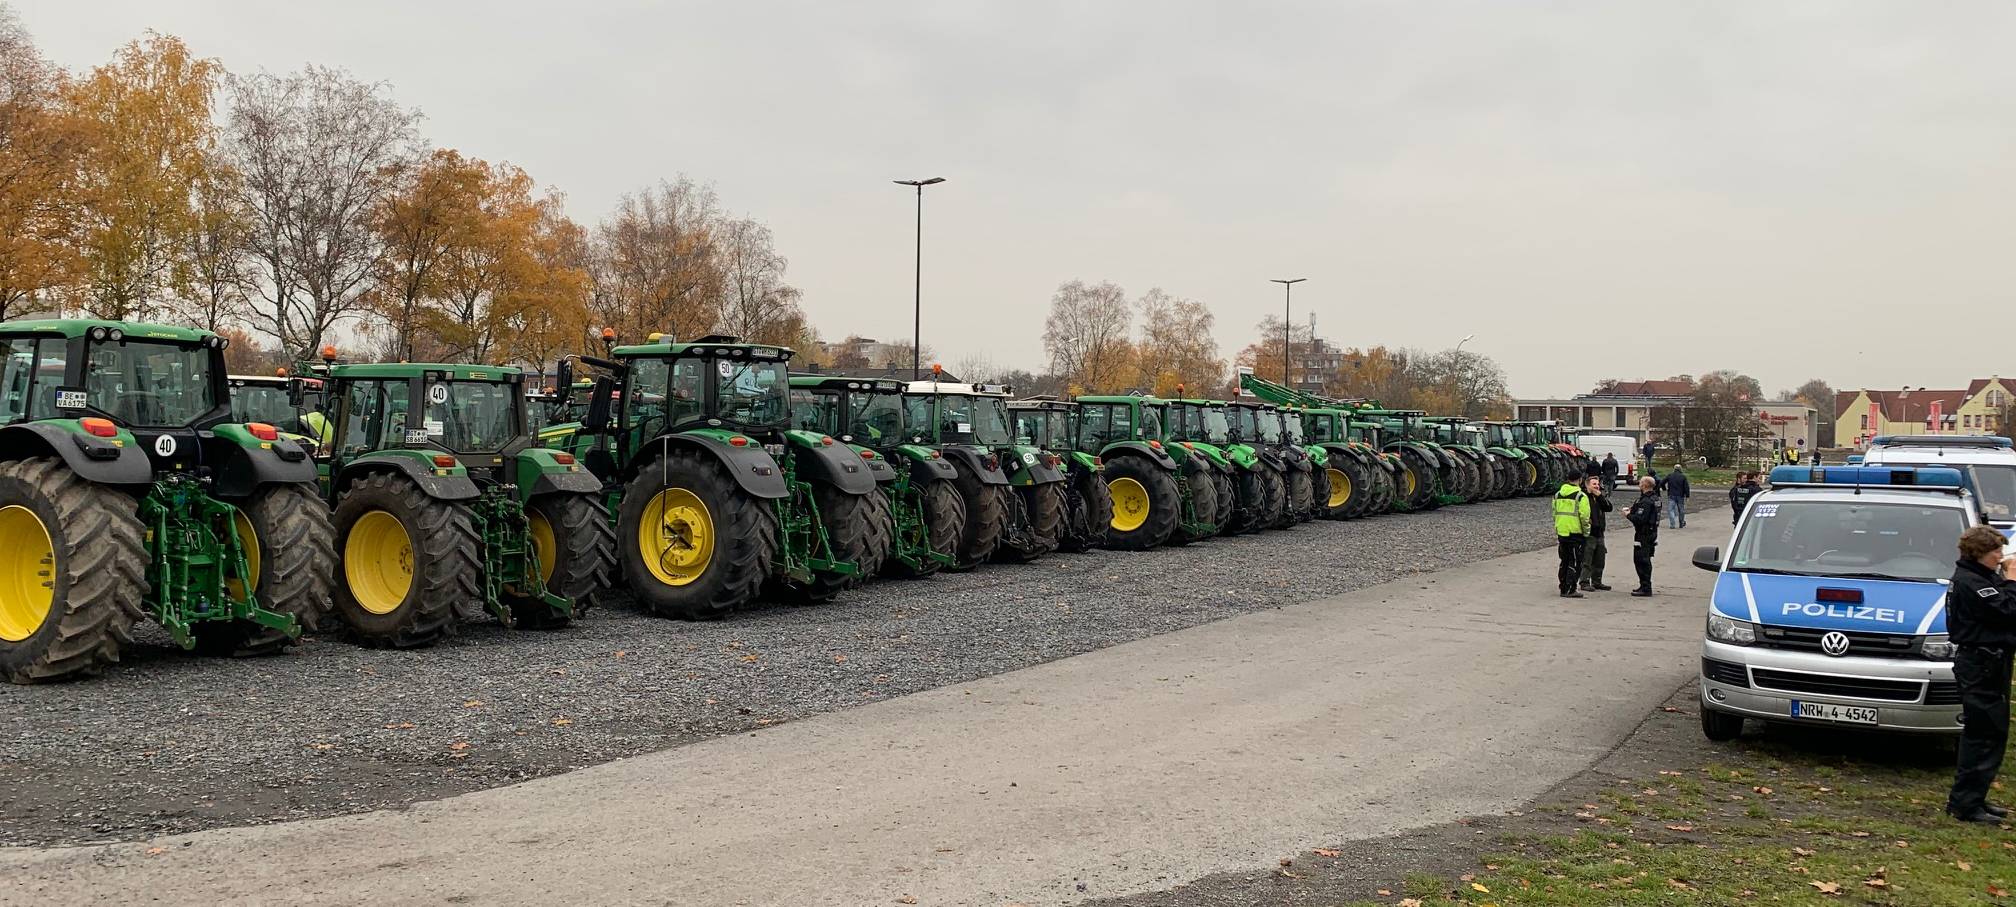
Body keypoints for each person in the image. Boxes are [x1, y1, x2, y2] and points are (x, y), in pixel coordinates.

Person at [1945, 526, 2016, 824]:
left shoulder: (1983, 578)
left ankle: (1974, 797)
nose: (2001, 557)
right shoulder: (1971, 582)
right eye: (1995, 552)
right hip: (1980, 663)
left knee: (1991, 732)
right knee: (1983, 733)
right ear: (1978, 554)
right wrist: (2012, 578)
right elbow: (2008, 610)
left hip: (1992, 662)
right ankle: (1965, 805)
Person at [1553, 472, 1592, 598]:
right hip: (1576, 533)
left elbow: (1555, 513)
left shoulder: (1557, 495)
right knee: (1574, 562)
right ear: (1580, 480)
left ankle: (1563, 586)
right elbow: (1585, 517)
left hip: (1562, 532)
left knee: (1564, 561)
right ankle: (1570, 589)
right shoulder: (1581, 496)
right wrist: (1586, 532)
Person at [1626, 476, 1660, 596]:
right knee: (1645, 560)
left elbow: (1640, 519)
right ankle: (1644, 585)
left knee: (1641, 560)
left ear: (1644, 485)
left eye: (1640, 483)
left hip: (1644, 534)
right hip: (1652, 532)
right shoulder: (1655, 499)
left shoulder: (1646, 501)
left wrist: (1628, 515)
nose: (1639, 484)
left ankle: (1645, 587)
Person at [1580, 474, 1612, 592]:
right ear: (1588, 485)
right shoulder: (1584, 497)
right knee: (1587, 558)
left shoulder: (1598, 497)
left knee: (1600, 558)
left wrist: (1600, 497)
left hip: (1599, 532)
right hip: (1589, 532)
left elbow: (1609, 508)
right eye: (1594, 484)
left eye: (1598, 484)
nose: (1597, 486)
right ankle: (1584, 581)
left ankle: (1597, 581)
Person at [1665, 464, 1691, 529]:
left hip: (1671, 495)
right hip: (1680, 495)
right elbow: (1686, 487)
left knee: (1671, 510)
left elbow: (1662, 482)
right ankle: (1681, 523)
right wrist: (1687, 496)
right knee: (1681, 510)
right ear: (1680, 469)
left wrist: (1664, 489)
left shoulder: (1670, 476)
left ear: (1674, 469)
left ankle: (1672, 524)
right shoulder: (1683, 477)